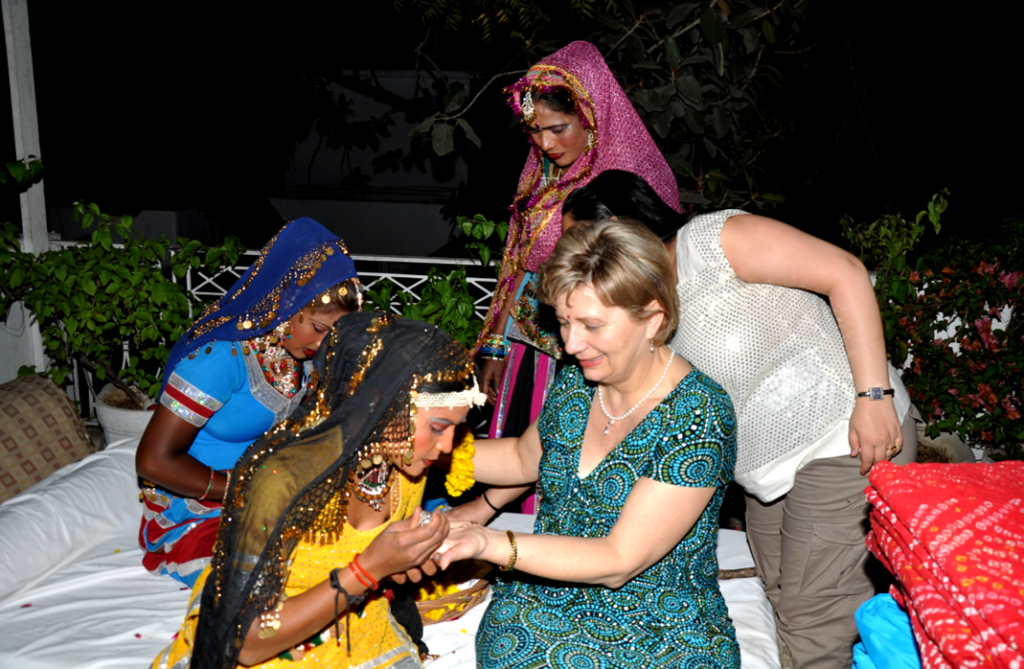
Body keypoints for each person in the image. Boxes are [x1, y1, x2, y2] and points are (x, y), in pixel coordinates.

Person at [562, 170, 920, 668]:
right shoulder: (641, 308)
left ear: (623, 228)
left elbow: (846, 273)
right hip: (764, 476)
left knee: (813, 619)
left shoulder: (712, 241)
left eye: (581, 238)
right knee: (772, 601)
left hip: (842, 432)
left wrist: (873, 395)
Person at [439, 220, 740, 668]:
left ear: (653, 318)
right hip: (547, 599)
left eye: (592, 325)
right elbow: (523, 458)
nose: (572, 343)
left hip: (660, 625)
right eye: (563, 321)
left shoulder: (699, 413)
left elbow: (619, 559)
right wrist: (426, 448)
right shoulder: (579, 382)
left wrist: (487, 543)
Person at [152, 312, 487, 669]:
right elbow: (242, 642)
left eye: (456, 428)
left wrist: (403, 559)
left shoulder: (404, 468)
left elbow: (522, 457)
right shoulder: (280, 481)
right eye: (438, 426)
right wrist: (369, 569)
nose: (449, 446)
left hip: (354, 628)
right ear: (385, 407)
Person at [474, 40, 679, 448]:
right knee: (521, 450)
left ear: (590, 113)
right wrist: (497, 345)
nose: (546, 144)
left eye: (557, 129)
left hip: (598, 342)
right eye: (534, 130)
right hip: (530, 340)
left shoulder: (628, 178)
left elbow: (655, 267)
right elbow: (519, 262)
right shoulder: (541, 175)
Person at [136, 217, 361, 587]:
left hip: (271, 495)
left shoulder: (301, 353)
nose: (324, 344)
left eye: (334, 335)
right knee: (255, 589)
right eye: (319, 329)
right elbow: (153, 461)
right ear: (285, 303)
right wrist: (241, 489)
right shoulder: (220, 357)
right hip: (202, 510)